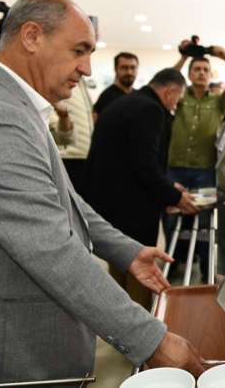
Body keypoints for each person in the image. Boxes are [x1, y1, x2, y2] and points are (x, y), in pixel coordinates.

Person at [0, 0, 204, 383]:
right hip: (17, 348)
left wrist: (126, 251)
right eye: (79, 50)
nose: (86, 68)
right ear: (32, 37)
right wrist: (151, 340)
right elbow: (49, 248)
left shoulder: (19, 104)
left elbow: (67, 200)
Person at [81, 68, 200, 309]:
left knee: (119, 264)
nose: (176, 106)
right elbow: (144, 165)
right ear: (170, 92)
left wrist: (168, 185)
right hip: (131, 209)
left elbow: (128, 157)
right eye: (178, 99)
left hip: (110, 204)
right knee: (139, 270)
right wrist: (175, 196)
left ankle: (119, 317)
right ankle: (138, 322)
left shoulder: (127, 102)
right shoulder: (150, 109)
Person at [166, 39, 225, 282]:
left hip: (205, 171)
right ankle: (172, 264)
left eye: (206, 70)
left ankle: (206, 270)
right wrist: (185, 55)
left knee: (205, 221)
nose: (201, 73)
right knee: (171, 218)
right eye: (197, 69)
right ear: (189, 74)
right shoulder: (179, 97)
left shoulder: (218, 101)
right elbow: (167, 81)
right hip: (174, 169)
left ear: (210, 75)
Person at [92, 52, 138, 121]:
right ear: (116, 69)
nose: (129, 72)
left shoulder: (138, 95)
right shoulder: (107, 97)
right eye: (124, 68)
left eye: (133, 67)